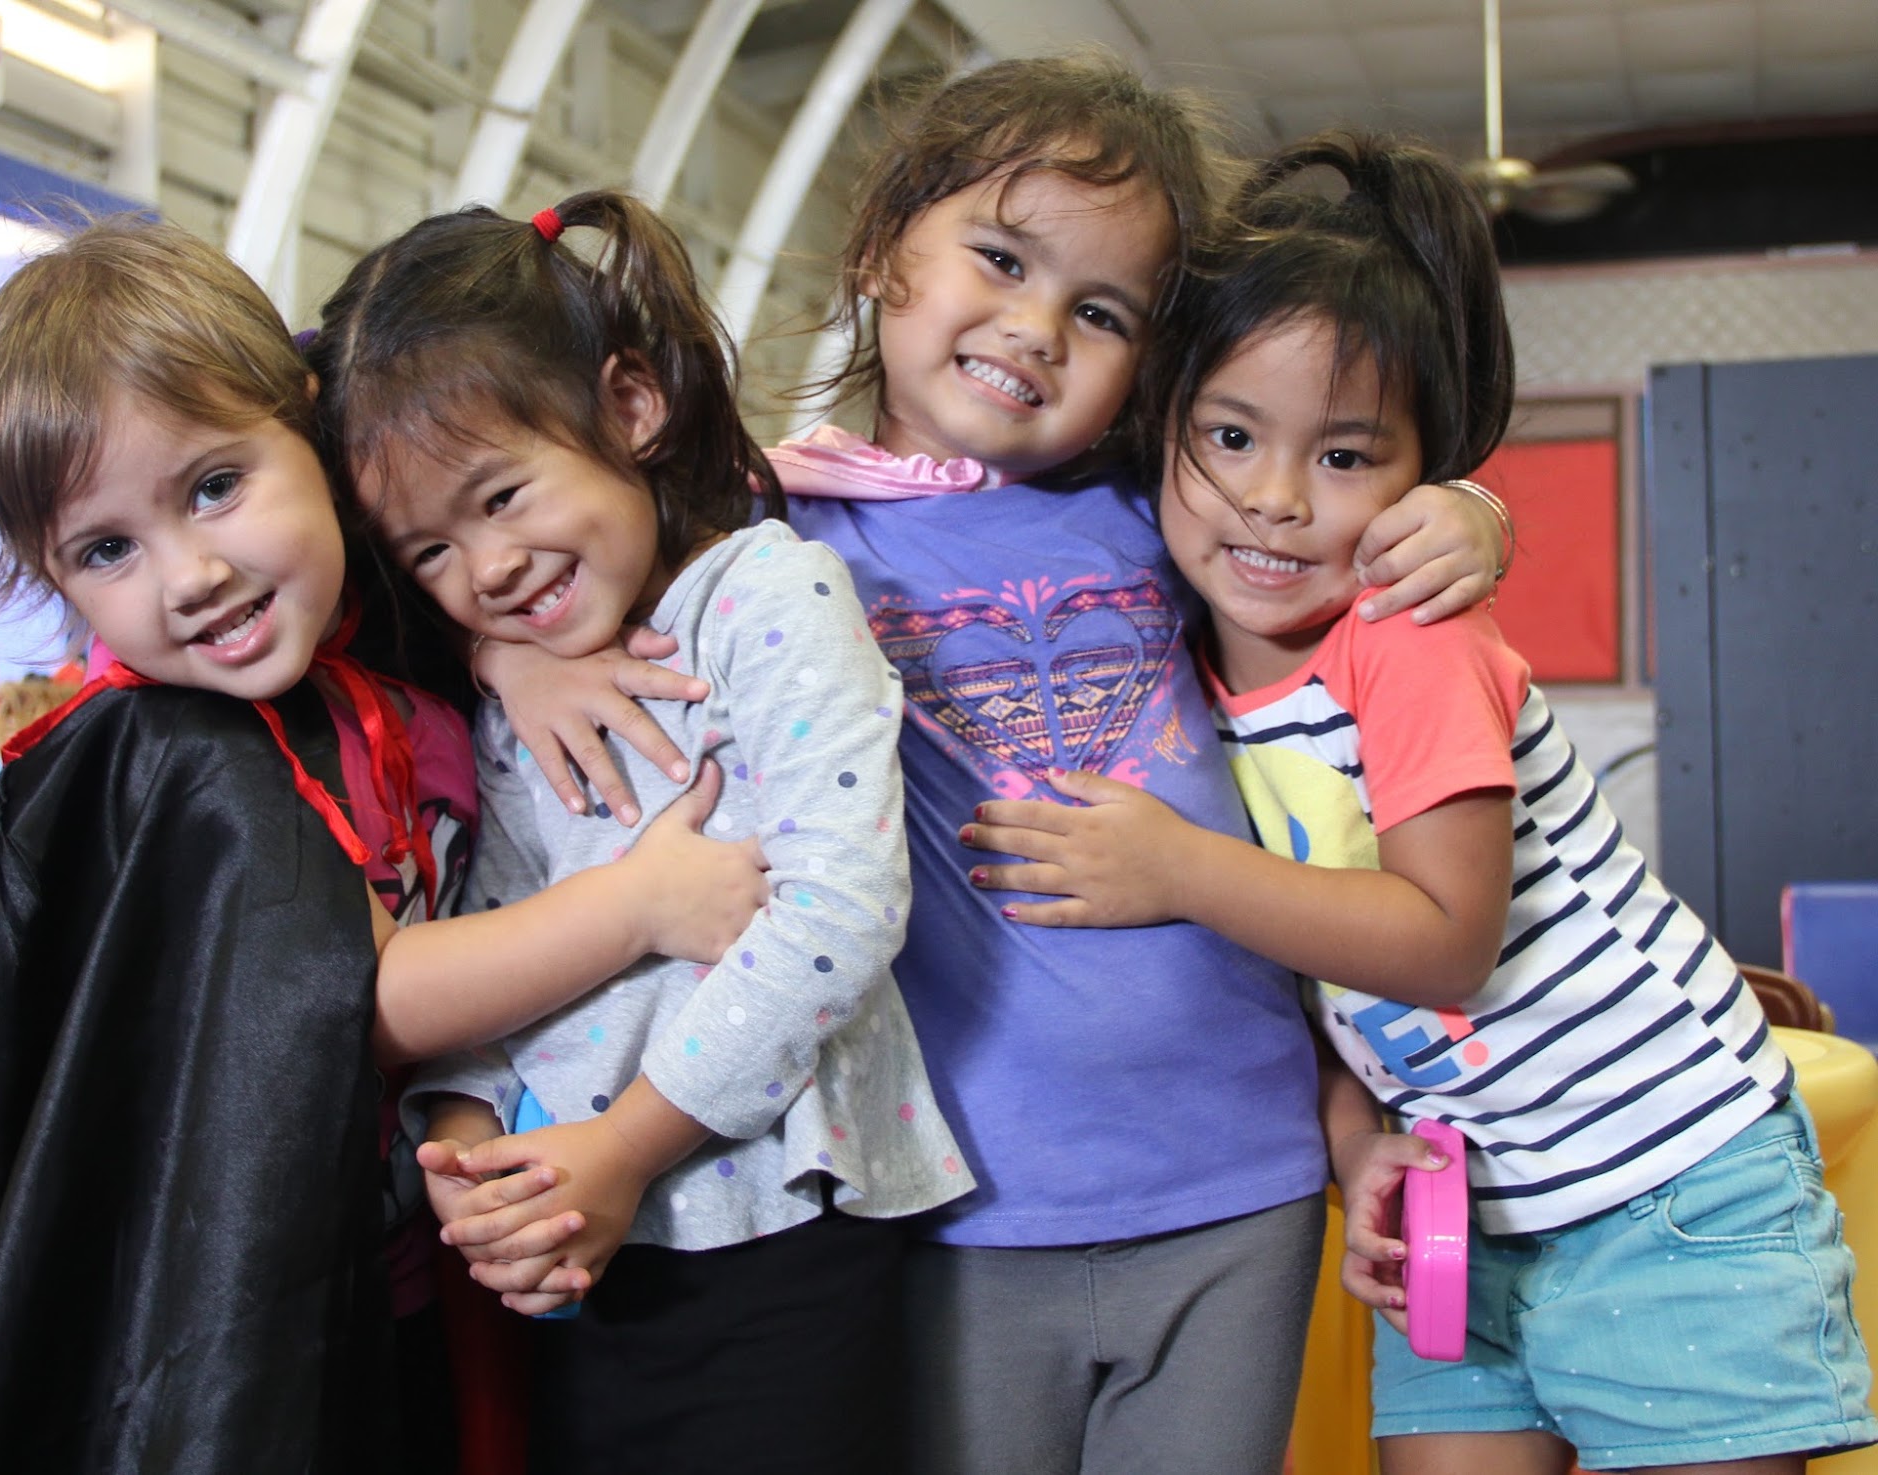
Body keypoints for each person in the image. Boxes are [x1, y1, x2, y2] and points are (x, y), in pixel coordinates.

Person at [479, 54, 1509, 1475]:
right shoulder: (753, 533)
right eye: (1002, 259)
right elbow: (517, 545)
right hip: (959, 1202)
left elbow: (1316, 485)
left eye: (1100, 312)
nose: (1034, 329)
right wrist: (517, 654)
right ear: (880, 246)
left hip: (1241, 1179)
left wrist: (1467, 512)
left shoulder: (1162, 510)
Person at [964, 130, 1876, 1475]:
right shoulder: (1182, 659)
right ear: (1159, 425)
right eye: (1229, 436)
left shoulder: (1403, 632)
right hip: (1469, 1198)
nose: (1275, 500)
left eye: (1345, 456)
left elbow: (1446, 934)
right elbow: (1304, 976)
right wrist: (1357, 1140)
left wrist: (1174, 868)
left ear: (1419, 478)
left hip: (1664, 1175)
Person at [0, 217, 768, 1475]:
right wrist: (638, 905)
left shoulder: (379, 663)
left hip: (415, 1273)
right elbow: (363, 993)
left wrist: (503, 651)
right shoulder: (175, 761)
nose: (190, 575)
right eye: (107, 549)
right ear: (51, 577)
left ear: (310, 428)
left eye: (213, 486)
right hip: (262, 1320)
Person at [307, 189, 974, 1475]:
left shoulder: (768, 592)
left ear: (629, 406)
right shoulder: (516, 680)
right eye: (431, 549)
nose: (486, 567)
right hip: (578, 1248)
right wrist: (465, 1148)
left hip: (773, 1221)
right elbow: (488, 941)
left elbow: (838, 912)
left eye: (502, 493)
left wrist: (619, 1147)